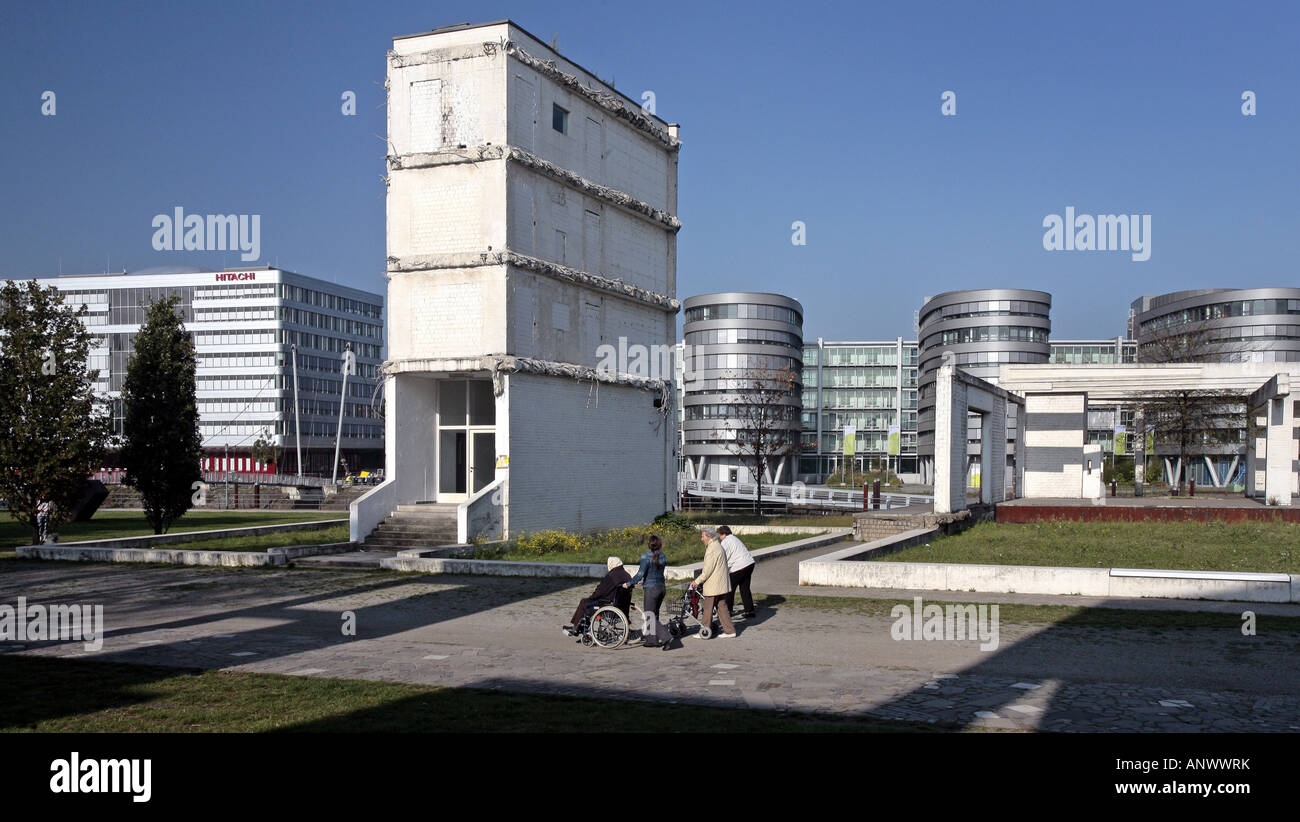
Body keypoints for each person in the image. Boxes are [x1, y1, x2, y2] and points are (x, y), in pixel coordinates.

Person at [563, 556, 632, 636]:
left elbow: (600, 591)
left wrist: (592, 598)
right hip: (622, 606)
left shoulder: (612, 575)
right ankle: (579, 626)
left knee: (584, 602)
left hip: (609, 605)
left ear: (612, 564)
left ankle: (576, 627)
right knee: (588, 602)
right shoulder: (626, 574)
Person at [689, 528, 735, 639]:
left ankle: (705, 630)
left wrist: (696, 581)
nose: (701, 539)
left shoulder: (711, 549)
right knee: (721, 606)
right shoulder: (718, 546)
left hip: (714, 584)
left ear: (709, 537)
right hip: (720, 583)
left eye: (703, 536)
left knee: (708, 608)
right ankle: (730, 631)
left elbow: (707, 570)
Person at [624, 535, 669, 648]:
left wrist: (629, 583)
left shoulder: (645, 556)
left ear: (649, 544)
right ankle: (651, 640)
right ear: (659, 544)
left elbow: (640, 573)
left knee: (649, 616)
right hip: (661, 588)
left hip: (651, 590)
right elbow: (655, 573)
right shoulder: (662, 555)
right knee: (655, 615)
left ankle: (666, 637)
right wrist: (644, 582)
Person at [718, 525, 757, 620]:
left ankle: (728, 611)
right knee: (745, 588)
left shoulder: (725, 542)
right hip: (749, 564)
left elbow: (724, 558)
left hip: (739, 567)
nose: (719, 537)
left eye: (719, 535)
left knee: (729, 589)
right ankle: (749, 611)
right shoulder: (735, 538)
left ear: (723, 534)